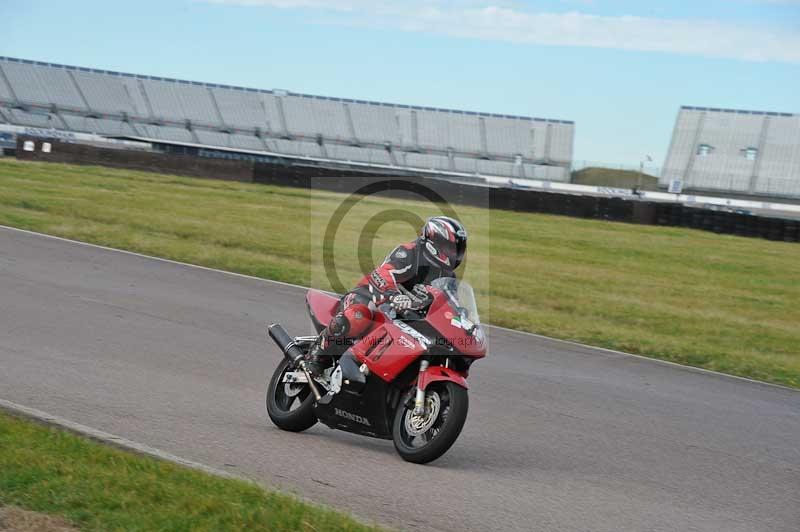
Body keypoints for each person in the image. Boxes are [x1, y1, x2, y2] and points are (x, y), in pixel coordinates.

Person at [305, 216, 468, 376]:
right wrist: (394, 295)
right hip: (369, 298)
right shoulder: (409, 252)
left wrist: (463, 320)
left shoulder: (448, 277)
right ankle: (316, 356)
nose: (455, 254)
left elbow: (448, 306)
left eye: (457, 250)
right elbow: (383, 274)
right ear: (435, 242)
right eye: (451, 249)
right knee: (358, 316)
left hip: (403, 318)